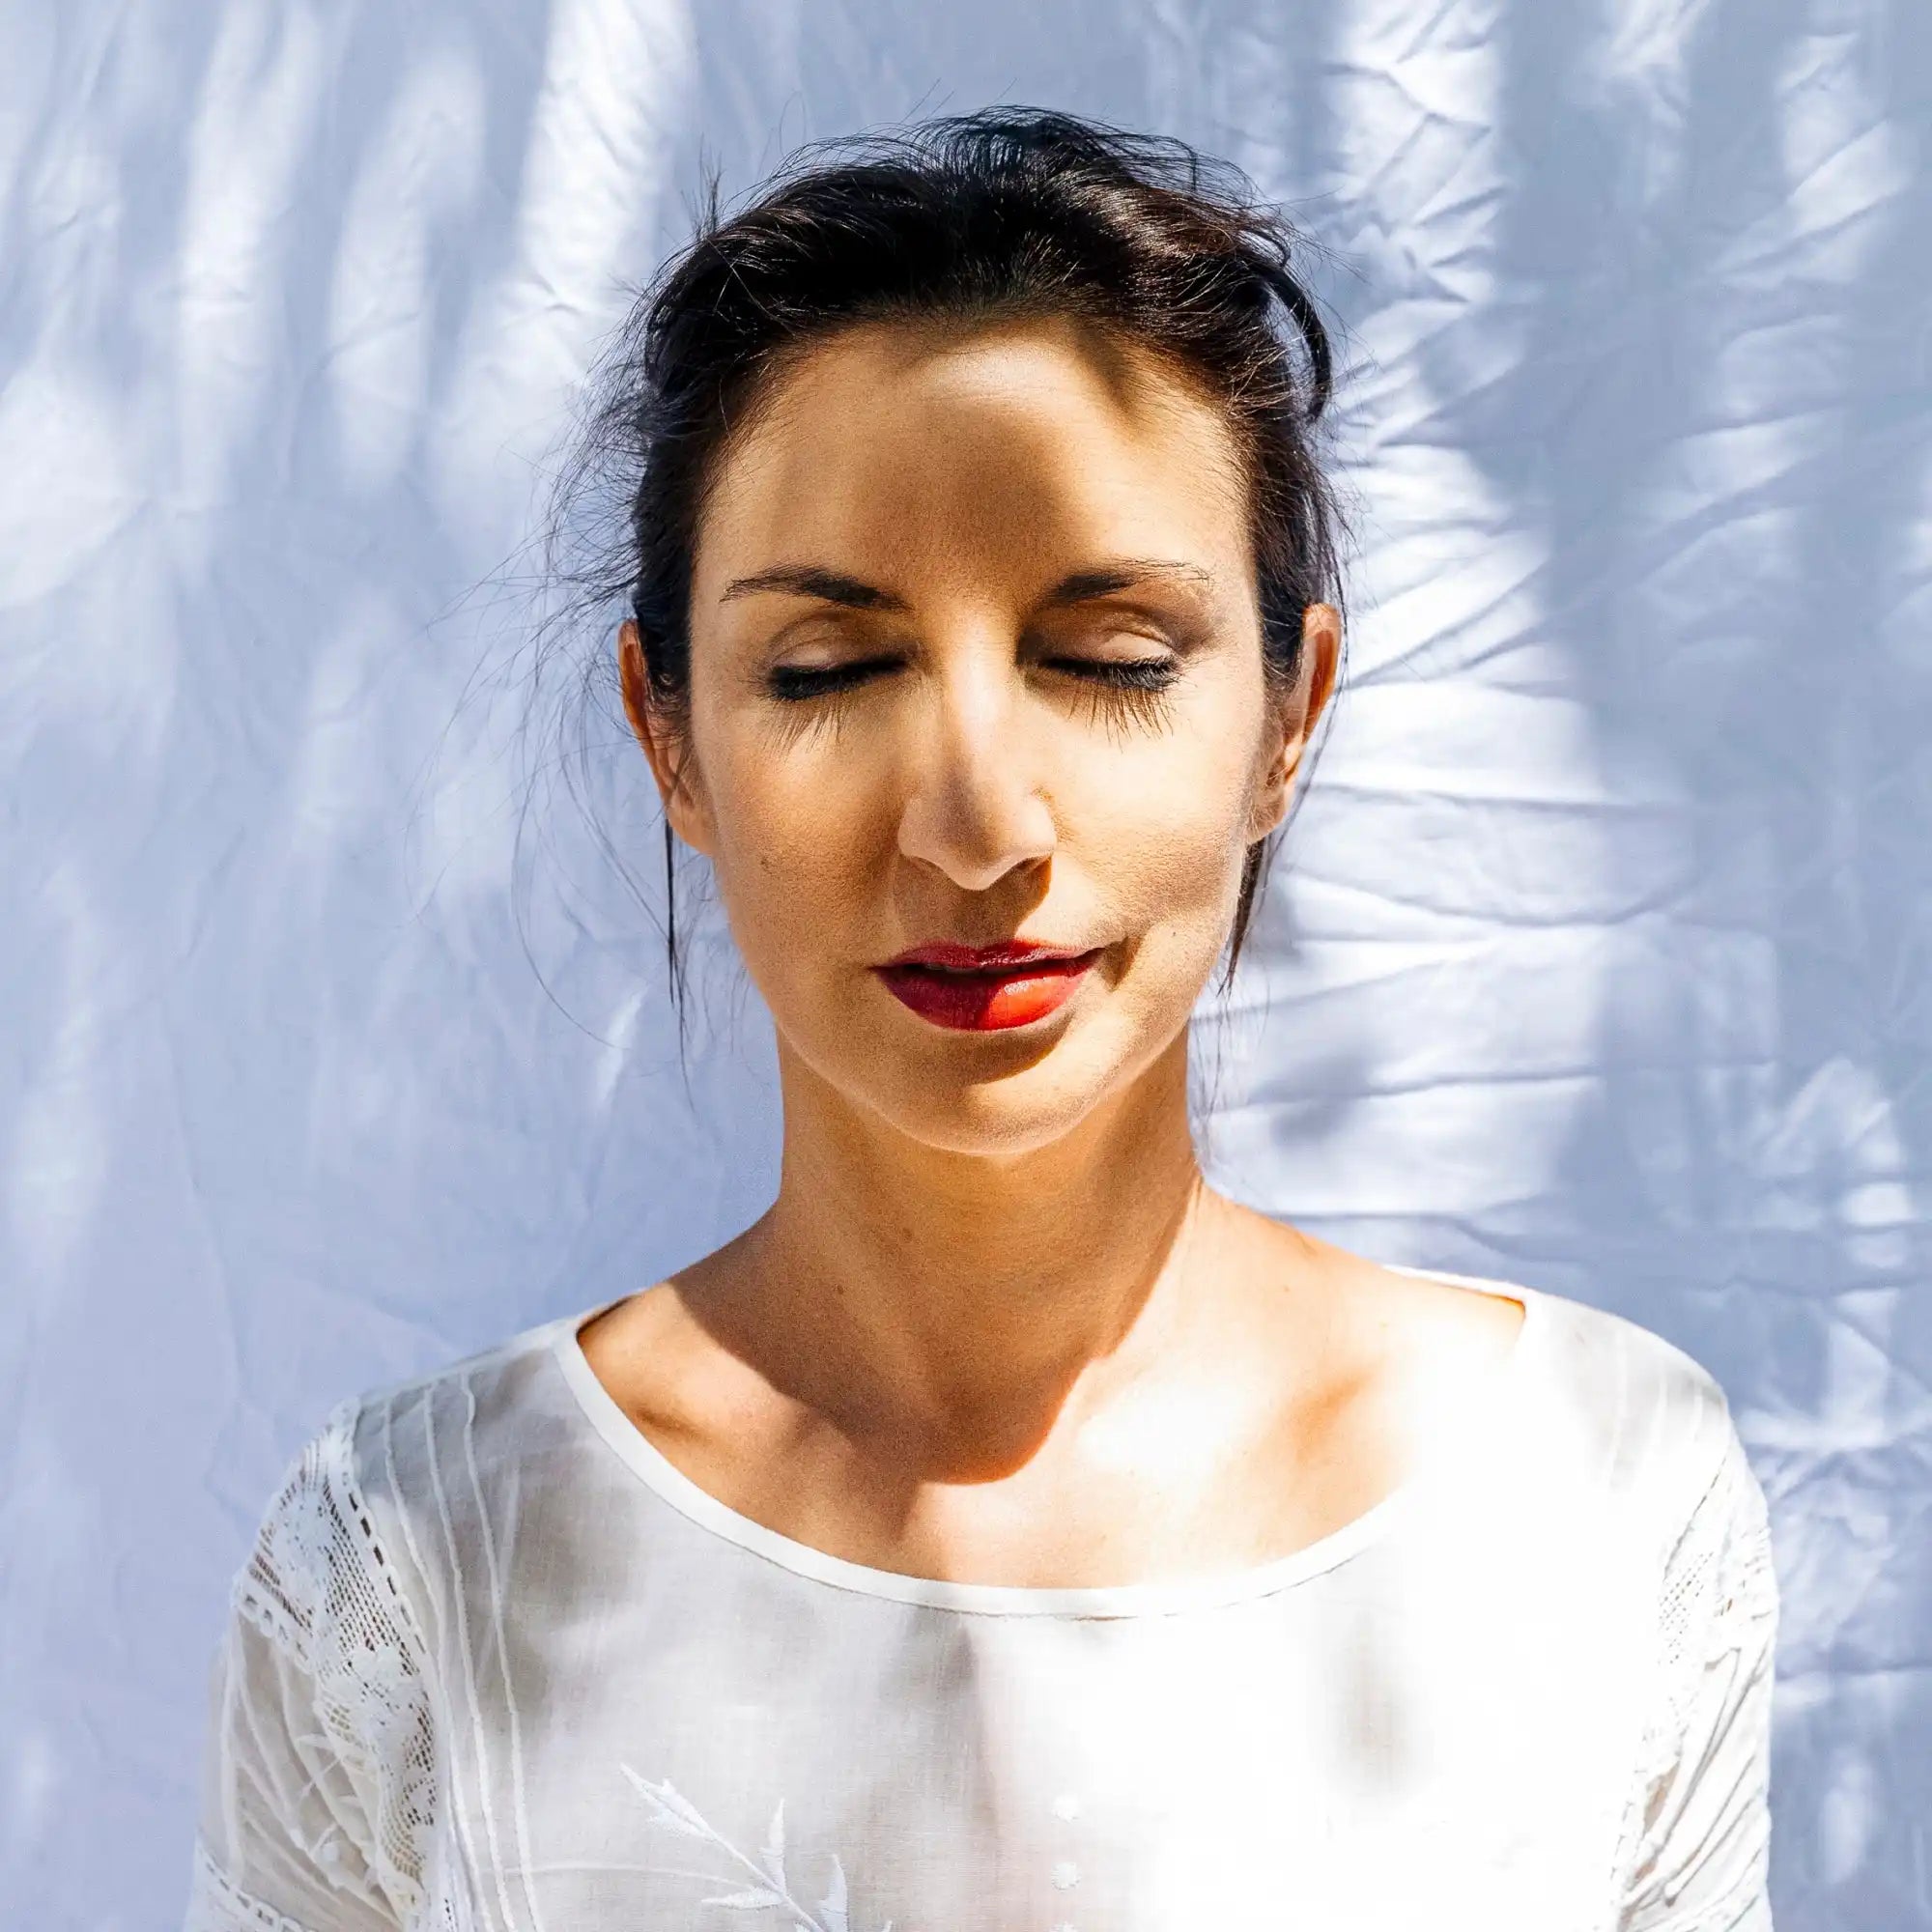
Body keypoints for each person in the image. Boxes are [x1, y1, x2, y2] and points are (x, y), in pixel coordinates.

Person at [182, 108, 1777, 1932]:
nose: (980, 827)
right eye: (830, 669)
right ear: (669, 734)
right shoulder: (412, 1565)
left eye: (1107, 660)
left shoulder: (1591, 1490)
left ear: (1287, 713)